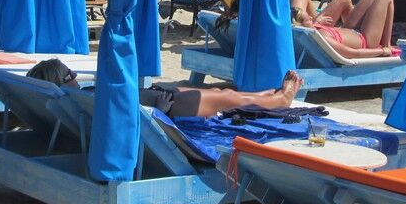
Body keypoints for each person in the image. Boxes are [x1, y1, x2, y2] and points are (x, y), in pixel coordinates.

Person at [28, 58, 305, 119]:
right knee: (229, 98)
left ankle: (268, 93)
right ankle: (281, 99)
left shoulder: (75, 100)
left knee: (223, 92)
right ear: (58, 83)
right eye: (70, 75)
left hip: (162, 97)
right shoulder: (80, 101)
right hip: (168, 108)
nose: (76, 76)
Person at [288, 0, 397, 58]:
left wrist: (315, 22)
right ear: (303, 26)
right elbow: (355, 53)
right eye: (309, 19)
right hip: (366, 40)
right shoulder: (323, 39)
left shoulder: (315, 32)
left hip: (349, 30)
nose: (312, 18)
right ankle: (387, 44)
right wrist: (382, 51)